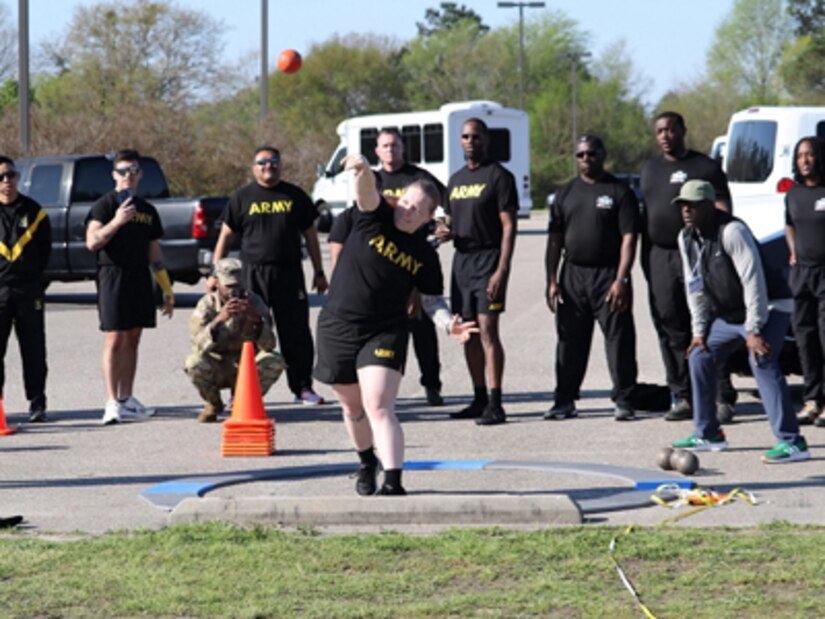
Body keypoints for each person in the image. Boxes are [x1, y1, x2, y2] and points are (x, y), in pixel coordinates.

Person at [314, 154, 476, 496]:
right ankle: (365, 461)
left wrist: (450, 326)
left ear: (429, 218)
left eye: (417, 209)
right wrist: (359, 170)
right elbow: (367, 192)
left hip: (385, 329)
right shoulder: (375, 217)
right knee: (351, 406)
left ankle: (393, 481)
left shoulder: (425, 256)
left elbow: (433, 301)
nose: (407, 210)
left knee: (378, 405)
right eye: (405, 202)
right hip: (338, 323)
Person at [671, 180, 810, 463]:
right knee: (699, 356)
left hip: (770, 305)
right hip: (730, 312)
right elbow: (694, 287)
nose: (686, 210)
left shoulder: (733, 231)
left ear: (709, 206)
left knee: (761, 358)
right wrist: (699, 332)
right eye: (683, 205)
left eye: (693, 205)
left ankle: (792, 441)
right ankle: (708, 433)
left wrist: (754, 330)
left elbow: (753, 281)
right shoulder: (686, 238)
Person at [328, 128, 447, 406]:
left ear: (403, 147)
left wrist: (444, 228)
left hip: (412, 266)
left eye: (395, 145)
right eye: (384, 146)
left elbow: (445, 206)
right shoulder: (374, 180)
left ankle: (432, 384)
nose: (390, 150)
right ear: (377, 151)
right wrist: (338, 270)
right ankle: (370, 390)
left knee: (422, 330)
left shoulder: (419, 179)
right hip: (379, 263)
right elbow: (348, 221)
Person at [640, 111, 739, 424]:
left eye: (670, 129)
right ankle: (683, 395)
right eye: (659, 131)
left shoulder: (705, 167)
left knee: (709, 322)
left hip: (698, 252)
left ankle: (722, 394)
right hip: (661, 255)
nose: (665, 136)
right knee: (670, 323)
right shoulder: (650, 169)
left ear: (683, 130)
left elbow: (723, 209)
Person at [212, 146, 327, 406]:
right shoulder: (242, 198)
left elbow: (311, 236)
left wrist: (319, 272)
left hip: (288, 273)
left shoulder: (295, 195)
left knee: (296, 333)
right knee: (247, 331)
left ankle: (303, 388)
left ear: (280, 165)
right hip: (252, 274)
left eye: (273, 162)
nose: (268, 167)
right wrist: (216, 275)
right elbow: (225, 237)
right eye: (262, 162)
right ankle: (240, 391)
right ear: (254, 167)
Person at [545, 136, 640, 421]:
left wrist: (621, 279)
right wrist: (552, 279)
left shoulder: (619, 191)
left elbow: (629, 238)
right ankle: (564, 400)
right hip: (572, 275)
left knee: (619, 340)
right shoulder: (565, 194)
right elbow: (554, 241)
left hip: (609, 275)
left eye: (591, 153)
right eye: (581, 155)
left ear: (602, 155)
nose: (586, 159)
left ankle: (624, 399)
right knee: (569, 341)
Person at [437, 117, 518, 426]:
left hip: (489, 259)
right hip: (462, 263)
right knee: (468, 333)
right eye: (466, 137)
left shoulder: (499, 176)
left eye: (476, 136)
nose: (470, 141)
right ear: (460, 141)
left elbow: (509, 227)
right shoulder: (455, 181)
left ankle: (496, 404)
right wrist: (445, 230)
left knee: (488, 332)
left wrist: (502, 270)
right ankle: (479, 397)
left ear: (486, 140)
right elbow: (448, 221)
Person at [86, 149, 173, 425]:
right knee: (114, 337)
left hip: (139, 277)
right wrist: (117, 221)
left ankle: (127, 398)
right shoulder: (105, 205)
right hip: (113, 275)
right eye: (123, 171)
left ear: (140, 175)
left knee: (133, 337)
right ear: (114, 175)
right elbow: (93, 241)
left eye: (133, 171)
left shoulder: (148, 210)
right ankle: (111, 403)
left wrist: (166, 289)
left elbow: (155, 255)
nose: (128, 176)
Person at [184, 257, 285, 422]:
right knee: (193, 363)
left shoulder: (254, 301)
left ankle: (243, 401)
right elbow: (198, 345)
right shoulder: (206, 305)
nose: (233, 291)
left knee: (274, 361)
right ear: (217, 283)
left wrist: (256, 320)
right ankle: (213, 403)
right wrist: (218, 320)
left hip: (246, 366)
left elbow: (270, 345)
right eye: (229, 286)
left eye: (237, 285)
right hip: (218, 365)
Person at [0, 156, 51, 423]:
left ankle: (37, 403)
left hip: (27, 291)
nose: (6, 181)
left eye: (11, 175)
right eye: (1, 177)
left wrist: (34, 282)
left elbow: (45, 253)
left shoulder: (34, 211)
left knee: (33, 349)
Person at [785, 136, 825, 427]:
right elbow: (789, 225)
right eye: (800, 156)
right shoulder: (793, 194)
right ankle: (812, 401)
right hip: (802, 275)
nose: (805, 160)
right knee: (805, 339)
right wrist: (793, 252)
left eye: (810, 155)